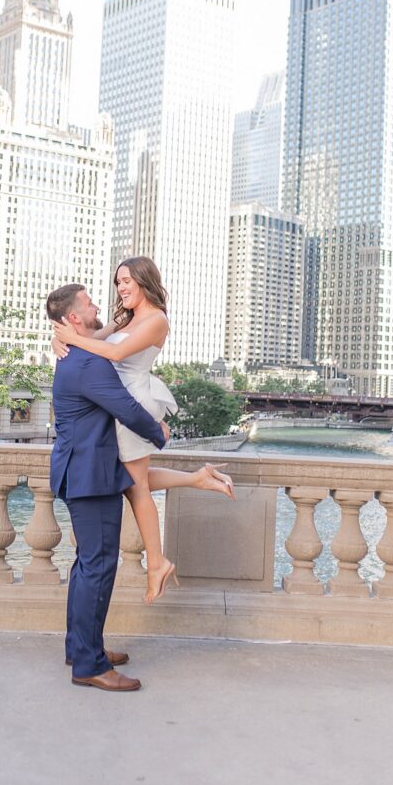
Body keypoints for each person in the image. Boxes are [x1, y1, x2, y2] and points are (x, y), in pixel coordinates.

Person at [52, 256, 235, 604]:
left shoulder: (156, 320)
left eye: (127, 281)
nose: (121, 288)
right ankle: (196, 479)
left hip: (132, 403)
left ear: (144, 280)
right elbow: (91, 338)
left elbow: (116, 353)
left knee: (137, 488)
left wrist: (69, 338)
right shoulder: (127, 317)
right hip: (117, 402)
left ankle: (157, 562)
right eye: (118, 282)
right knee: (130, 479)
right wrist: (61, 341)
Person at [46, 282, 170, 692]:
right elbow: (126, 409)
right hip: (91, 476)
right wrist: (159, 432)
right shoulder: (88, 363)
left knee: (87, 566)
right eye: (89, 303)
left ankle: (82, 647)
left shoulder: (74, 354)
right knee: (98, 568)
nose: (97, 305)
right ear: (73, 318)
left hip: (80, 471)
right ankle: (90, 664)